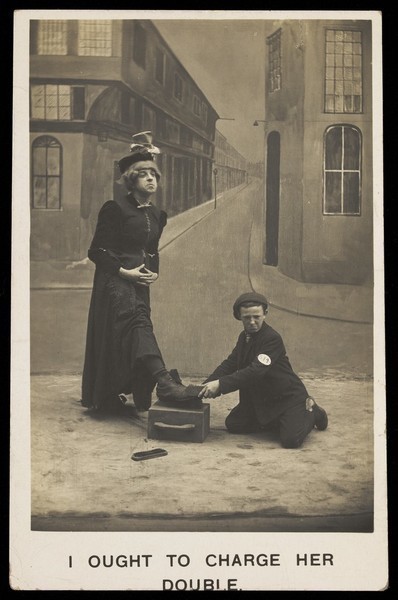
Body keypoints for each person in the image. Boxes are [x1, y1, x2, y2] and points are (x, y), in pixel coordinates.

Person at [81, 132, 195, 413]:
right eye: (143, 175)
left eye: (153, 174)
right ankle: (162, 380)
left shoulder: (158, 215)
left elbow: (152, 250)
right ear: (131, 180)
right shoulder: (114, 209)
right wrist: (124, 272)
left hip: (139, 282)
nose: (150, 179)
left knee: (137, 331)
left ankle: (144, 385)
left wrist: (153, 272)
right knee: (136, 326)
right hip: (114, 280)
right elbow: (97, 251)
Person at [199, 292, 328, 448]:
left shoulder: (272, 338)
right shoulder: (243, 337)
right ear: (239, 316)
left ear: (265, 314)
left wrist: (220, 385)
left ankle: (312, 411)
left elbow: (255, 372)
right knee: (235, 424)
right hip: (261, 399)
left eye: (256, 317)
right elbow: (230, 364)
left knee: (290, 440)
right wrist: (205, 386)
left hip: (287, 399)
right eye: (247, 317)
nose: (252, 322)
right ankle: (278, 421)